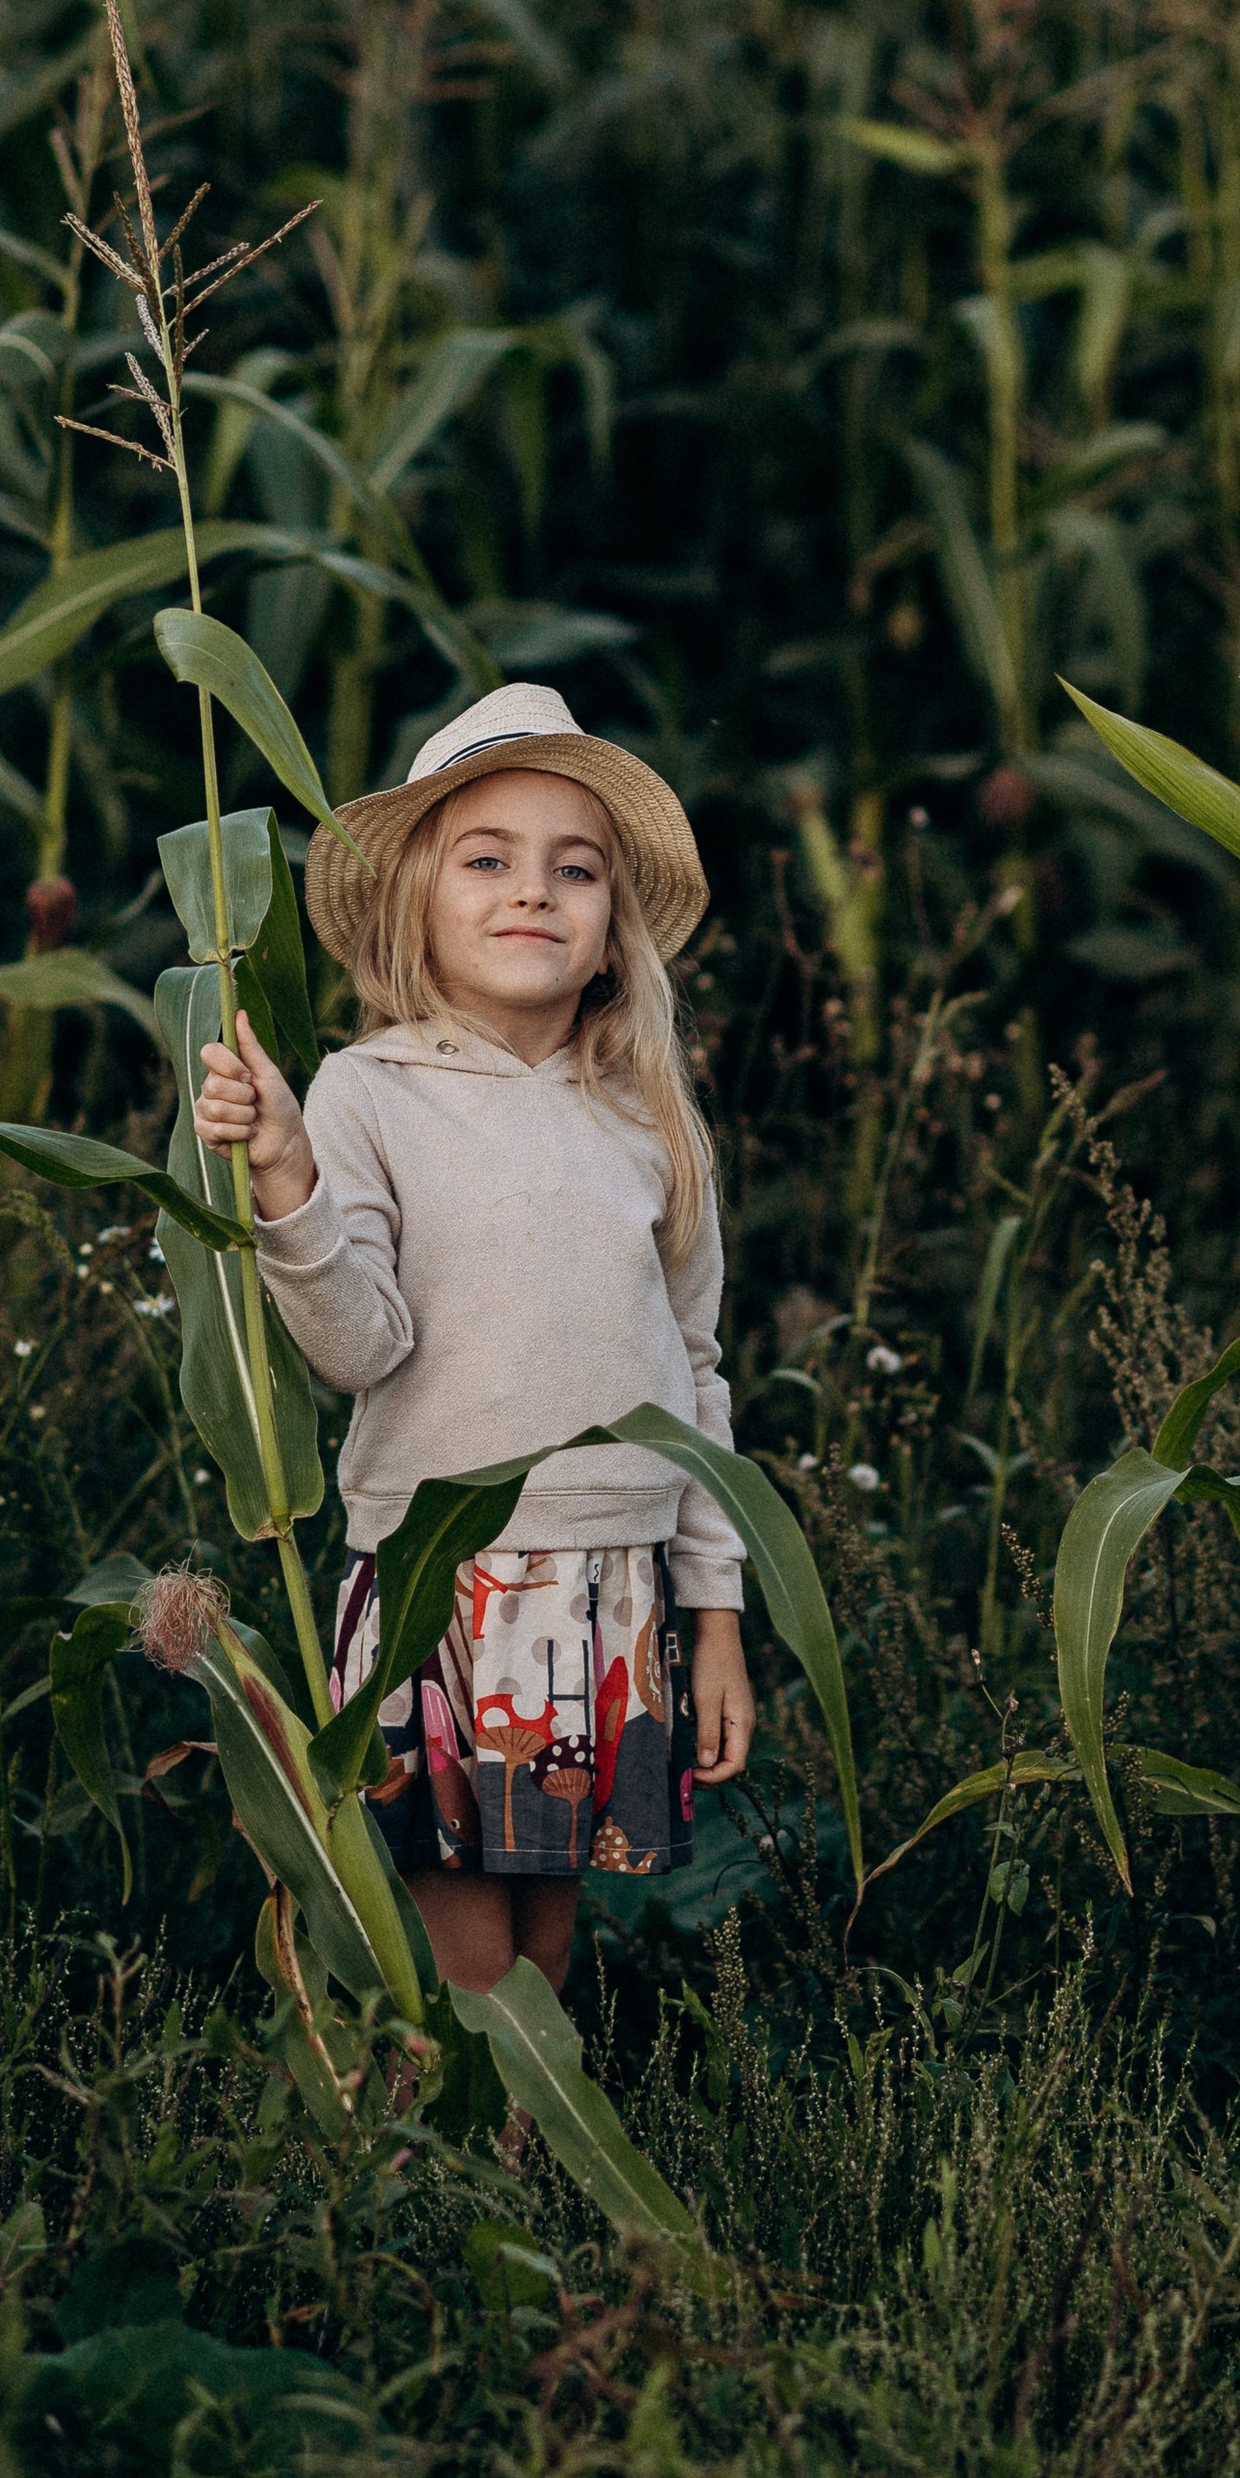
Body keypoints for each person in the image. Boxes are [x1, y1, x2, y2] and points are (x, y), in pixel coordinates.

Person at [192, 681, 755, 2000]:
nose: (533, 893)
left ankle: (499, 2180)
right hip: (446, 1584)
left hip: (612, 1591)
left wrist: (714, 1615)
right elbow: (356, 1344)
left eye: (575, 870)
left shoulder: (646, 1123)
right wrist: (285, 1176)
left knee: (545, 1952)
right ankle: (440, 2186)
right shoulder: (368, 1097)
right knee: (467, 1962)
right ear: (416, 905)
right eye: (486, 859)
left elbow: (698, 1370)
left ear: (614, 929)